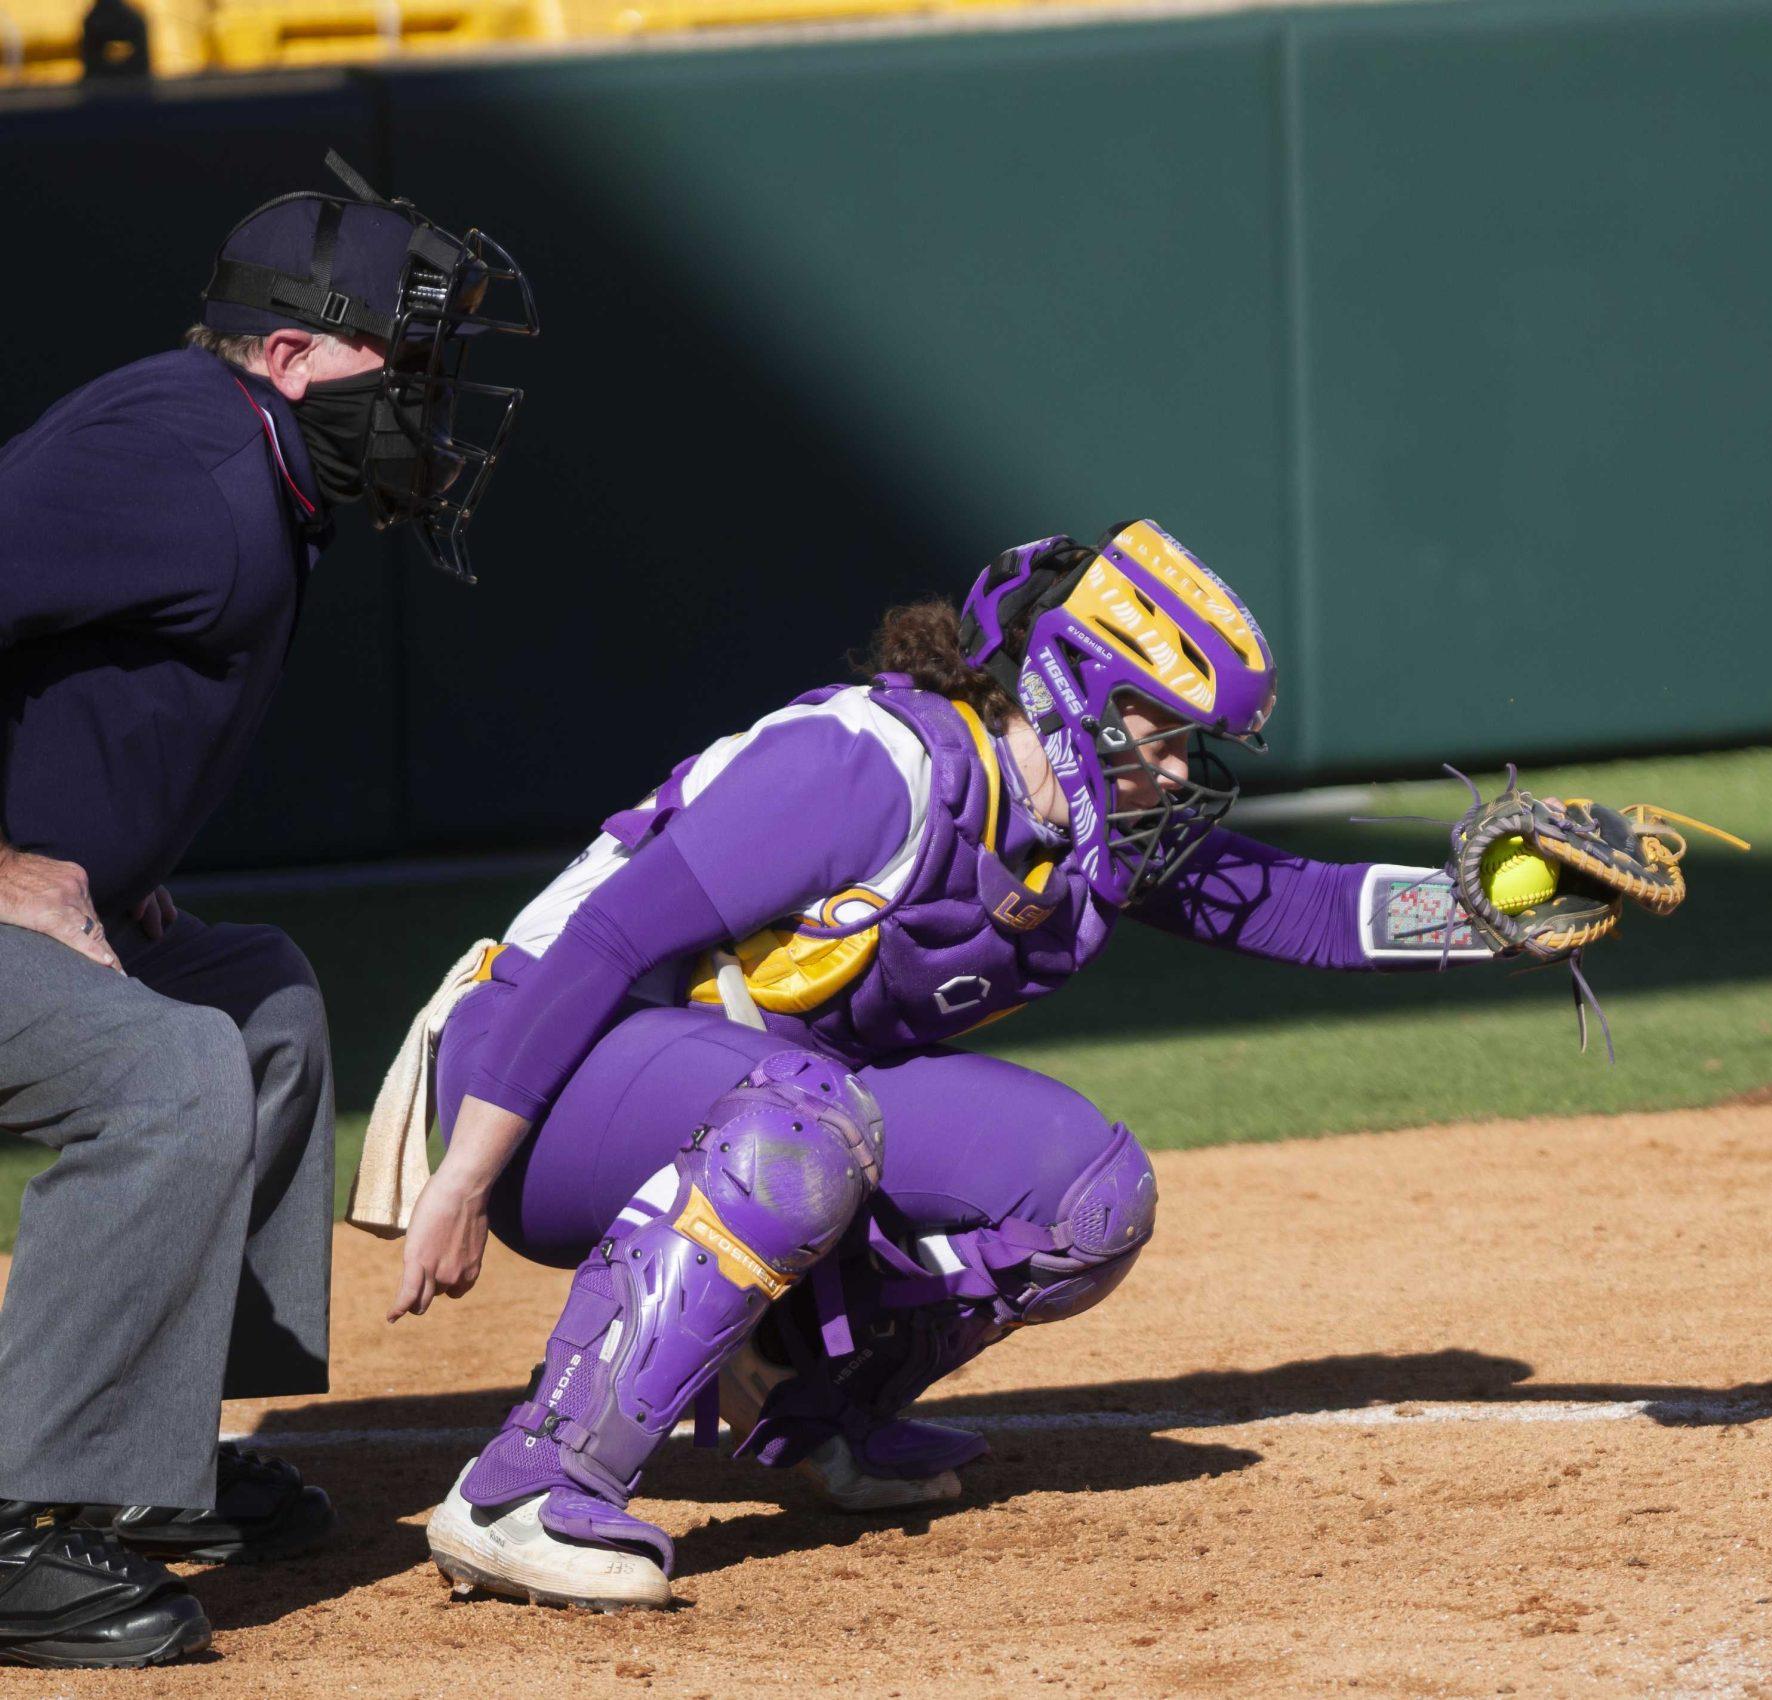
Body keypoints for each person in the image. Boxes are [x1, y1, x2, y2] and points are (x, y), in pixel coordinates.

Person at [397, 521, 1503, 1609]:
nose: (1174, 771)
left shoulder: (1075, 817)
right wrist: (463, 1178)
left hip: (755, 1101)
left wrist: (1485, 911)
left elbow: (1287, 901)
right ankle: (525, 1488)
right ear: (1076, 689)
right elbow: (604, 941)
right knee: (805, 1118)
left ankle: (812, 1409)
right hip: (541, 1069)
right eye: (1158, 733)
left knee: (1088, 1190)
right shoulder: (870, 768)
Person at [0, 153, 533, 1669]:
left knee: (258, 1005)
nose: (428, 395)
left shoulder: (251, 463)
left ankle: (144, 1465)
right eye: (406, 354)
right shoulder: (183, 453)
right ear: (290, 355)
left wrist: (89, 845)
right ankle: (19, 1518)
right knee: (167, 1076)